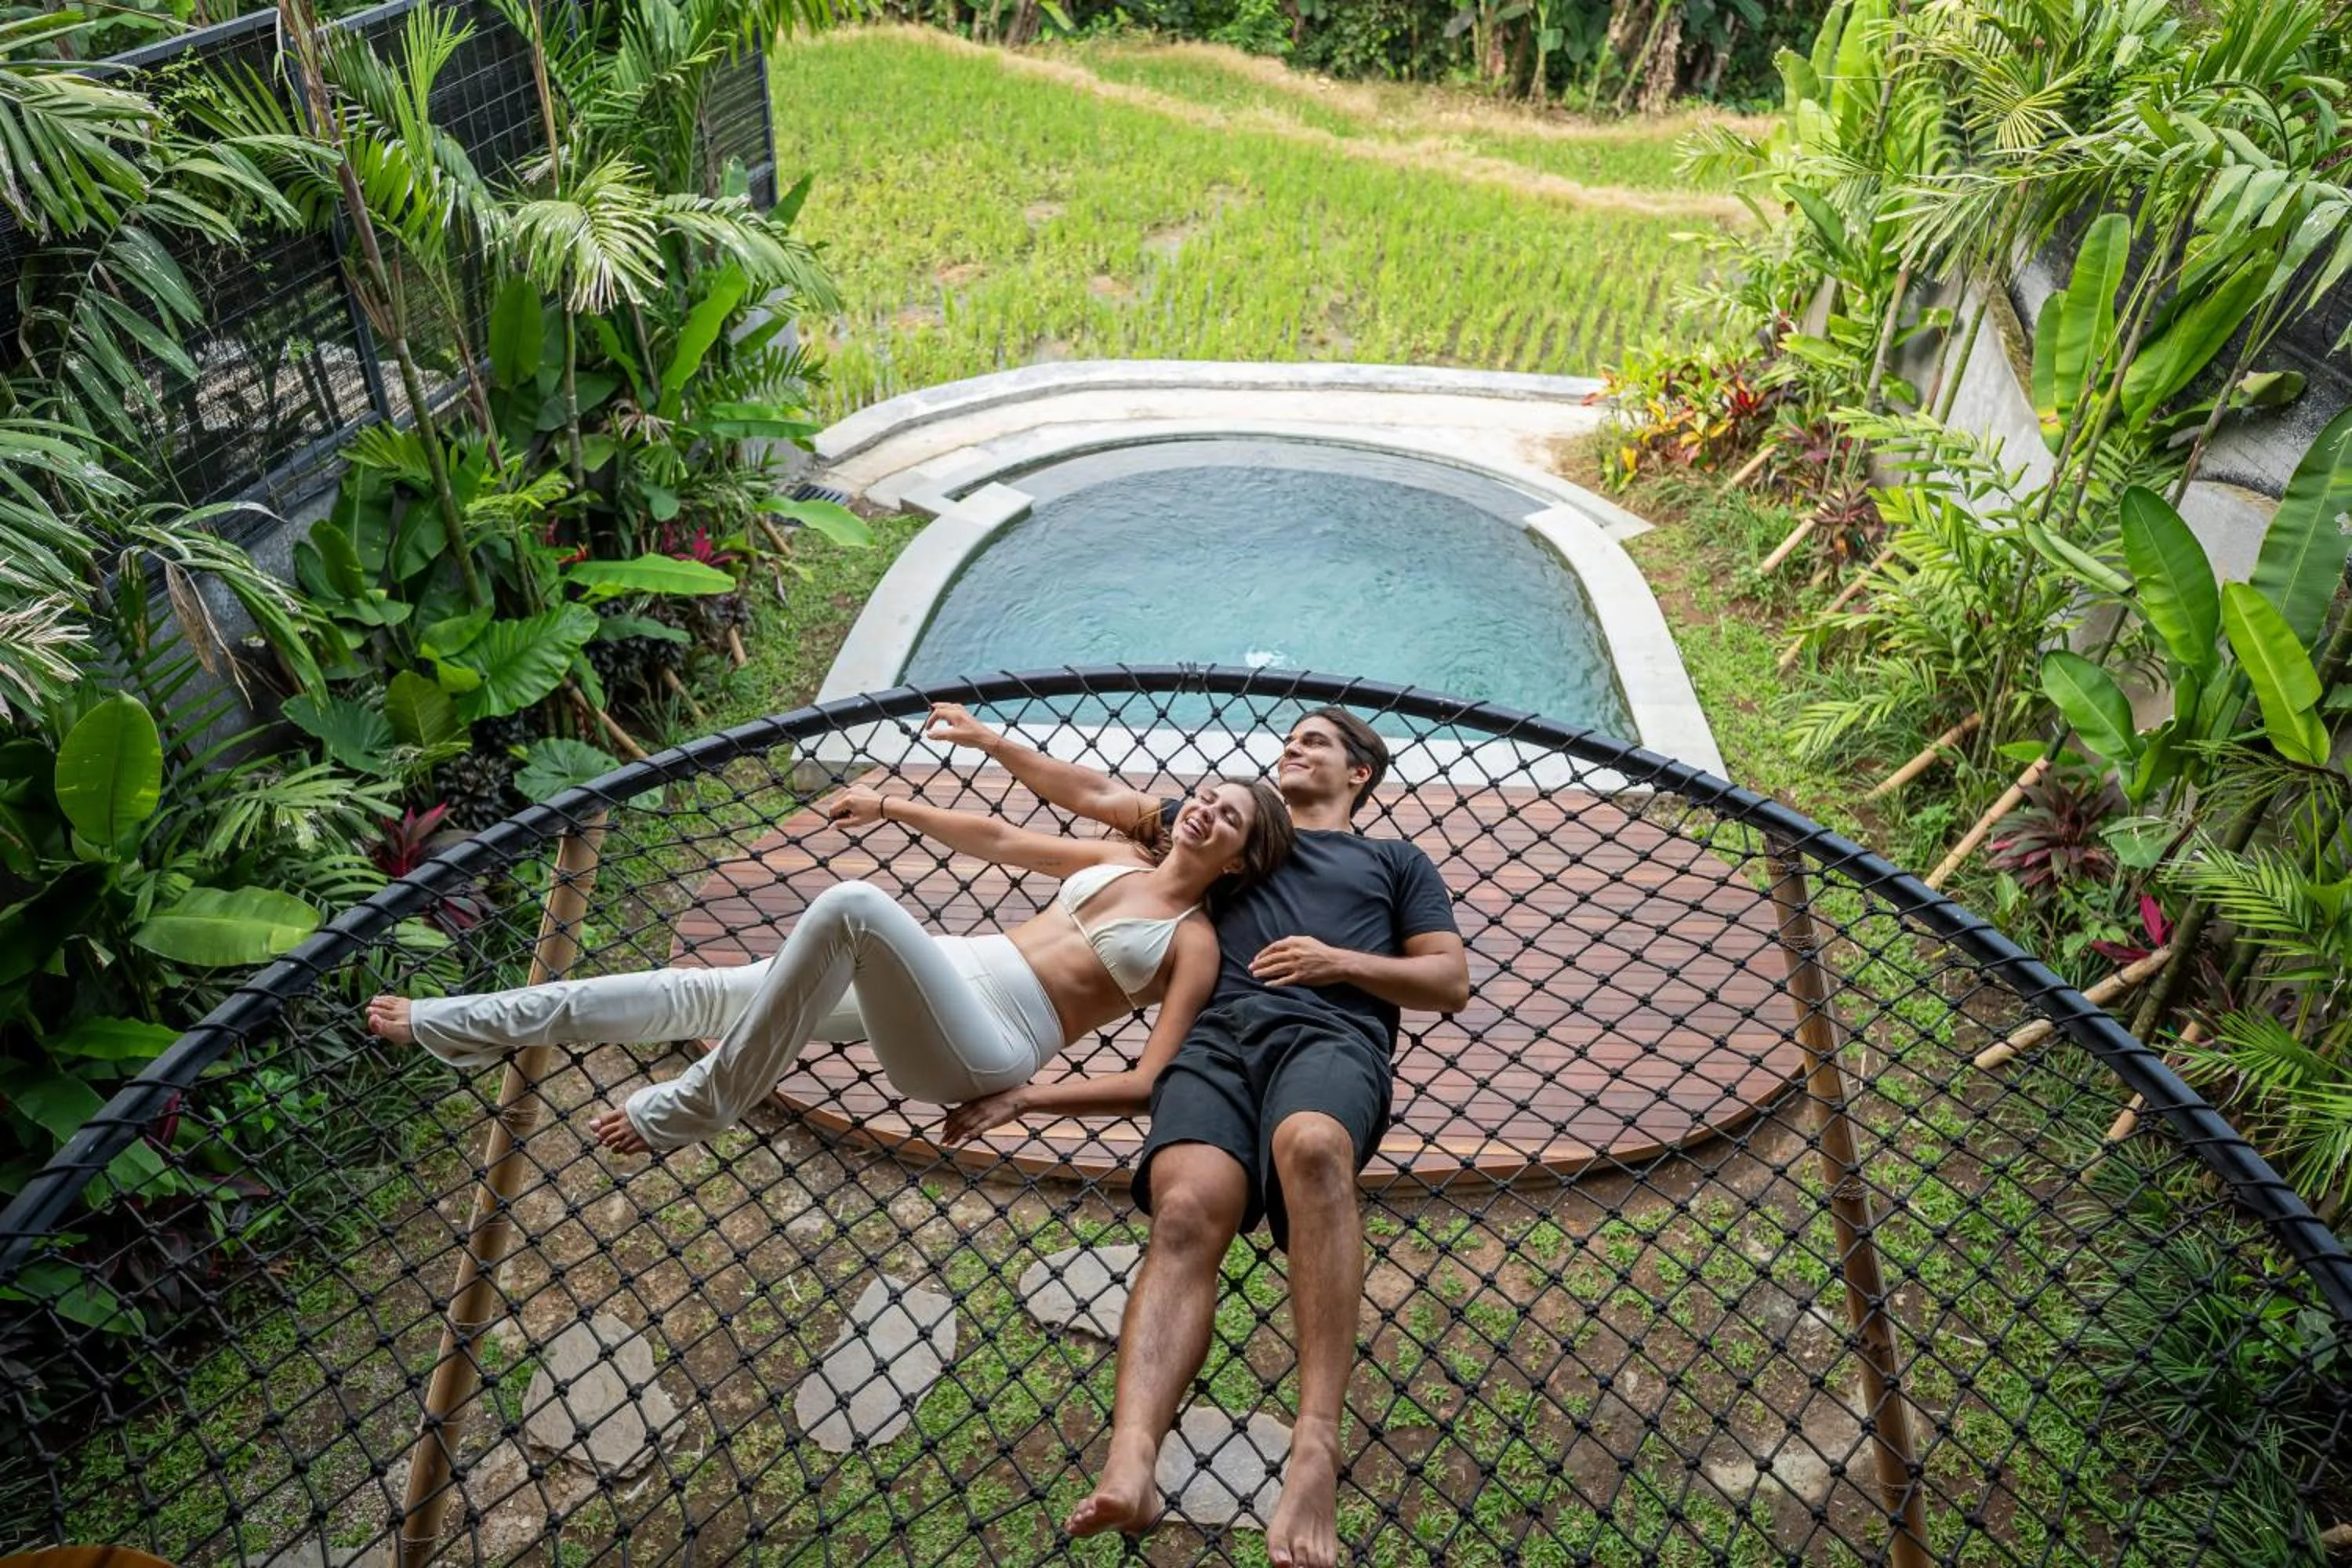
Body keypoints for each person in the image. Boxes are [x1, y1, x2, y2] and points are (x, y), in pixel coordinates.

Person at [927, 702, 1469, 1568]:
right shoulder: (1237, 834)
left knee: (1313, 1146)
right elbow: (1094, 793)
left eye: (1316, 741)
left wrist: (1338, 963)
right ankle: (1133, 1458)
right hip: (1218, 1042)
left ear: (1359, 771)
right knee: (1184, 1210)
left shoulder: (1394, 862)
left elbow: (1448, 979)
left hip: (1331, 1034)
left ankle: (1314, 1448)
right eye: (1290, 738)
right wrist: (991, 740)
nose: (1293, 746)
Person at [363, 776, 1293, 1156]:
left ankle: (703, 1102)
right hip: (948, 973)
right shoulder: (1117, 857)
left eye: (1232, 818)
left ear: (1240, 860)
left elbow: (1148, 1082)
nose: (1207, 808)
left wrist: (1024, 1102)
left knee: (852, 906)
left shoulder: (1193, 942)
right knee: (701, 992)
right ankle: (459, 1025)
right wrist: (894, 806)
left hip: (989, 1041)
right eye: (1210, 793)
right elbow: (1002, 837)